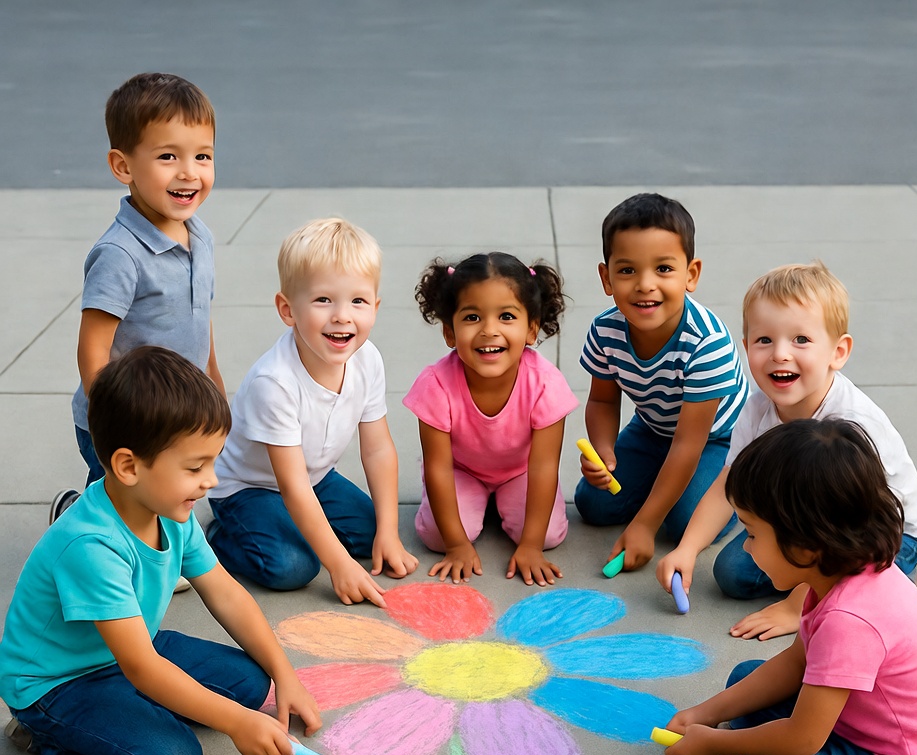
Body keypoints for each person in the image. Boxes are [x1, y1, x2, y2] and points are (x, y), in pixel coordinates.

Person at [0, 347, 320, 755]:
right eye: (195, 467)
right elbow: (143, 668)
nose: (210, 480)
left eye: (212, 462)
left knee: (252, 683)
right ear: (129, 466)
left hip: (128, 650)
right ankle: (43, 739)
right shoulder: (91, 546)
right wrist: (234, 723)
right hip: (59, 683)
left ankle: (131, 711)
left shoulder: (172, 510)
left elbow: (226, 593)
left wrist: (286, 674)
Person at [661, 418, 917, 755]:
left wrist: (717, 743)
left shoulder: (850, 620)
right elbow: (795, 663)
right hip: (856, 721)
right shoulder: (839, 575)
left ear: (805, 545)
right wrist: (704, 713)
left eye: (750, 534)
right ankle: (792, 750)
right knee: (746, 678)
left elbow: (803, 738)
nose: (745, 548)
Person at [656, 261, 917, 640]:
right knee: (732, 573)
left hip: (879, 532)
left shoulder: (850, 425)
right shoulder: (756, 409)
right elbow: (728, 484)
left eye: (800, 340)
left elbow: (852, 530)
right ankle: (817, 578)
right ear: (746, 347)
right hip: (803, 518)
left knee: (847, 604)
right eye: (764, 340)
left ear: (838, 352)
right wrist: (687, 549)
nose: (780, 354)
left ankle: (907, 580)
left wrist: (796, 607)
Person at [206, 218, 418, 606]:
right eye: (323, 300)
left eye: (358, 300)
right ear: (287, 310)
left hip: (316, 478)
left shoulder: (367, 359)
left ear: (375, 306)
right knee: (293, 567)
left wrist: (389, 531)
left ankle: (300, 531)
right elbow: (291, 487)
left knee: (372, 531)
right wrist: (337, 565)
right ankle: (219, 538)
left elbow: (377, 449)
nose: (342, 316)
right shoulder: (275, 382)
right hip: (249, 489)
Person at [52, 73, 224, 523]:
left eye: (202, 156)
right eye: (168, 156)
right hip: (124, 418)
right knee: (120, 507)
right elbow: (94, 347)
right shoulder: (120, 255)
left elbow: (198, 318)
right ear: (123, 166)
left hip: (175, 414)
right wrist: (114, 423)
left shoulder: (199, 236)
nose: (189, 171)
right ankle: (77, 519)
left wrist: (214, 386)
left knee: (157, 501)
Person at [575, 193, 749, 573]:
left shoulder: (707, 343)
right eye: (627, 271)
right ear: (606, 278)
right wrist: (604, 453)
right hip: (654, 428)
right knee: (594, 503)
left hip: (717, 439)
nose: (645, 285)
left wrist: (645, 524)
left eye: (664, 269)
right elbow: (603, 402)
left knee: (683, 522)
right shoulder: (605, 331)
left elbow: (689, 443)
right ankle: (663, 486)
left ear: (691, 274)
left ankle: (739, 495)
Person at [404, 252, 577, 586]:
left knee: (549, 536)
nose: (489, 331)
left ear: (531, 329)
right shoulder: (436, 385)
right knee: (437, 537)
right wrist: (456, 545)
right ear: (449, 333)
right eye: (472, 318)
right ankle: (475, 509)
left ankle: (502, 507)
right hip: (461, 470)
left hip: (520, 472)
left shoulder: (545, 384)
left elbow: (543, 467)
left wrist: (530, 545)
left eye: (507, 316)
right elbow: (438, 467)